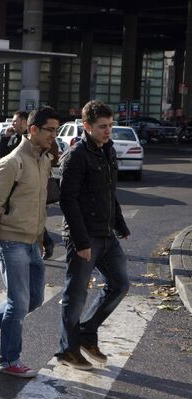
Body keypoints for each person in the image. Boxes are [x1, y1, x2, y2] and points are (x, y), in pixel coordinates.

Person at [0, 106, 59, 378]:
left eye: (56, 131)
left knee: (34, 300)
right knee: (18, 302)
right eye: (50, 130)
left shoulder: (43, 160)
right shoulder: (11, 163)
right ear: (33, 130)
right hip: (10, 243)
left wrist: (42, 236)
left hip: (32, 242)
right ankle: (9, 360)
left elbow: (37, 205)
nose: (54, 136)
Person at [55, 100, 131, 370]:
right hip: (84, 236)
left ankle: (87, 332)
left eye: (110, 125)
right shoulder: (76, 156)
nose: (108, 131)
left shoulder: (107, 151)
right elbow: (68, 201)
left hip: (106, 234)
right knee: (75, 295)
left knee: (120, 284)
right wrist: (81, 241)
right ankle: (67, 350)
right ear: (87, 126)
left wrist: (120, 225)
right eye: (102, 127)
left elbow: (110, 193)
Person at [0, 110, 56, 260]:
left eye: (15, 121)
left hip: (34, 237)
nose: (13, 124)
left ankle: (46, 242)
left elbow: (53, 157)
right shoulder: (17, 146)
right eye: (51, 130)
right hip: (14, 238)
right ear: (33, 129)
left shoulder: (44, 150)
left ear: (25, 123)